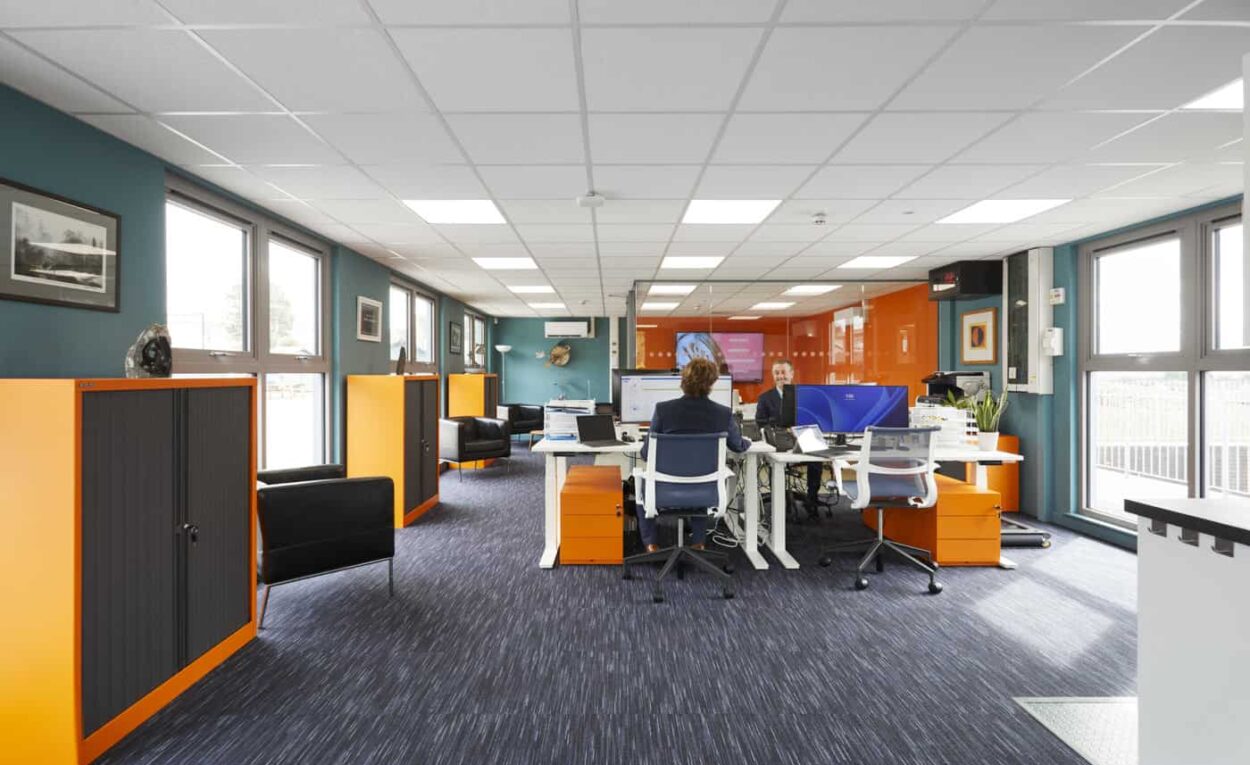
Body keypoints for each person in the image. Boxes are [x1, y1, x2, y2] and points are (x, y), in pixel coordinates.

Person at [637, 357, 750, 553]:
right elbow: (738, 446)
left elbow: (646, 454)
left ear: (683, 380)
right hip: (705, 493)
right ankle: (698, 542)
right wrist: (748, 440)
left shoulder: (663, 410)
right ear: (712, 383)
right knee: (702, 476)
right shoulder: (723, 413)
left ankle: (651, 544)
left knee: (638, 486)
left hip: (663, 491)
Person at [754, 359, 824, 519]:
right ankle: (779, 500)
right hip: (779, 440)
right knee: (775, 461)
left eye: (783, 372)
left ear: (791, 374)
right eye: (776, 373)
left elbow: (813, 418)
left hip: (802, 437)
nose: (780, 376)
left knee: (817, 457)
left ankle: (811, 498)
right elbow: (760, 422)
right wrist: (780, 428)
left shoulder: (804, 396)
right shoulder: (765, 398)